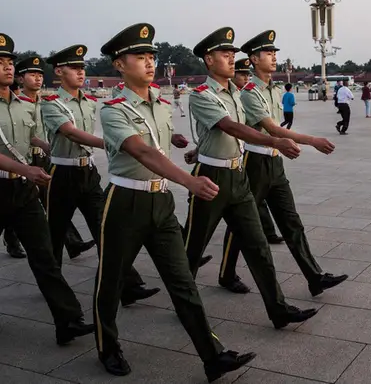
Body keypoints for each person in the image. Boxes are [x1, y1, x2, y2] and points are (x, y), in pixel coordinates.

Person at [96, 23, 254, 378]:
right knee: (111, 280)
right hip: (125, 203)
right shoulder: (112, 108)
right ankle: (107, 346)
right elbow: (140, 151)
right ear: (120, 64)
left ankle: (213, 357)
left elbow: (156, 143)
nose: (150, 62)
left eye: (152, 56)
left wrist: (180, 142)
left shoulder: (163, 105)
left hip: (161, 203)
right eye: (140, 56)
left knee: (182, 280)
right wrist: (189, 181)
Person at [182, 28, 317, 328]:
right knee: (194, 246)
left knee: (258, 246)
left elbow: (248, 127)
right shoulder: (201, 95)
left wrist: (196, 147)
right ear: (209, 59)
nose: (232, 60)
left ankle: (278, 309)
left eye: (233, 55)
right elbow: (231, 128)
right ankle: (184, 304)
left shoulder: (237, 94)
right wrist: (275, 142)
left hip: (239, 175)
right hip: (211, 178)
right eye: (225, 55)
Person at [0, 33, 94, 343]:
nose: (8, 67)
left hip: (23, 191)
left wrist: (55, 152)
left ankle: (68, 319)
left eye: (10, 62)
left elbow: (36, 139)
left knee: (44, 257)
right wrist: (27, 169)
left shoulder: (25, 105)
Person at [41, 45, 159, 307]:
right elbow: (70, 132)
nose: (81, 73)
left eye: (83, 68)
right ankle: (53, 287)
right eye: (74, 68)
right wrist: (113, 143)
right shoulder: (51, 104)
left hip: (88, 173)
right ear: (59, 71)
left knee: (104, 228)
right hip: (61, 173)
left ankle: (128, 286)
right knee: (55, 233)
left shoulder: (89, 101)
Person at [237, 30, 348, 296]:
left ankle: (315, 277)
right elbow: (272, 129)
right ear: (253, 59)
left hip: (275, 164)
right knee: (243, 226)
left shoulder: (274, 89)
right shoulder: (250, 92)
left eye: (275, 53)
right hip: (255, 163)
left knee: (291, 223)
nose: (274, 57)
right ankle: (226, 273)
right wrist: (311, 140)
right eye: (268, 53)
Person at [1, 56, 96, 261]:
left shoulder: (46, 102)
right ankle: (12, 239)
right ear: (20, 78)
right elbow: (26, 135)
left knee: (52, 204)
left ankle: (71, 243)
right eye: (32, 74)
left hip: (46, 160)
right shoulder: (18, 104)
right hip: (26, 161)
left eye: (40, 75)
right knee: (20, 204)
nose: (37, 79)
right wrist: (46, 146)